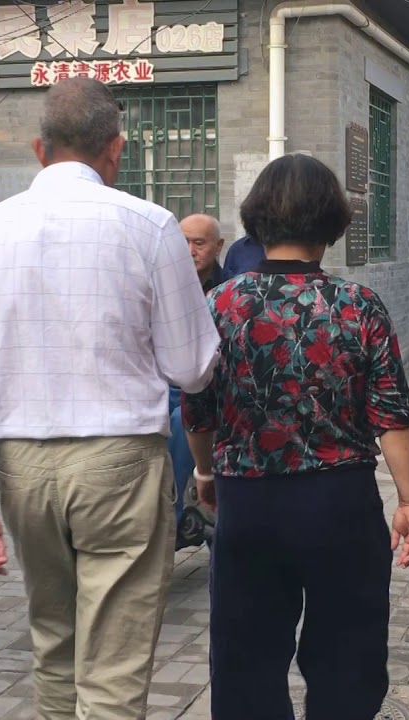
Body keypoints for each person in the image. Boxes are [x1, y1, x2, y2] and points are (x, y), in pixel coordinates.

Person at [0, 78, 219, 720]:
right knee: (112, 668)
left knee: (54, 644)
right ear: (115, 149)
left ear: (40, 149)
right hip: (119, 464)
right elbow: (192, 367)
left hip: (22, 468)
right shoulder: (151, 229)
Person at [183, 154, 409, 720]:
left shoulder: (221, 305)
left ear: (256, 221)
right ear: (333, 223)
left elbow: (198, 410)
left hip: (249, 502)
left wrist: (205, 472)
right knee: (348, 653)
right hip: (341, 503)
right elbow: (392, 413)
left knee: (246, 657)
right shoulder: (358, 306)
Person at [169, 213, 233, 549]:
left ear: (218, 247)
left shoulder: (231, 291)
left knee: (183, 419)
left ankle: (174, 521)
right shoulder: (165, 285)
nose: (190, 250)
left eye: (199, 243)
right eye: (183, 242)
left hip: (210, 384)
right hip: (166, 380)